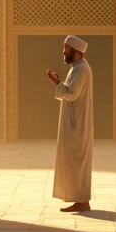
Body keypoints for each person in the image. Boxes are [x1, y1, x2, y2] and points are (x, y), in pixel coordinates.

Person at [47, 34, 93, 213]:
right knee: (73, 163)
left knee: (77, 162)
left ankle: (82, 201)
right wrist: (60, 83)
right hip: (74, 123)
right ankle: (79, 200)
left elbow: (71, 94)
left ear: (77, 52)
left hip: (77, 126)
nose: (64, 52)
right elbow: (69, 91)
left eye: (67, 48)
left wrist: (56, 83)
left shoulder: (81, 69)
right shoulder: (77, 68)